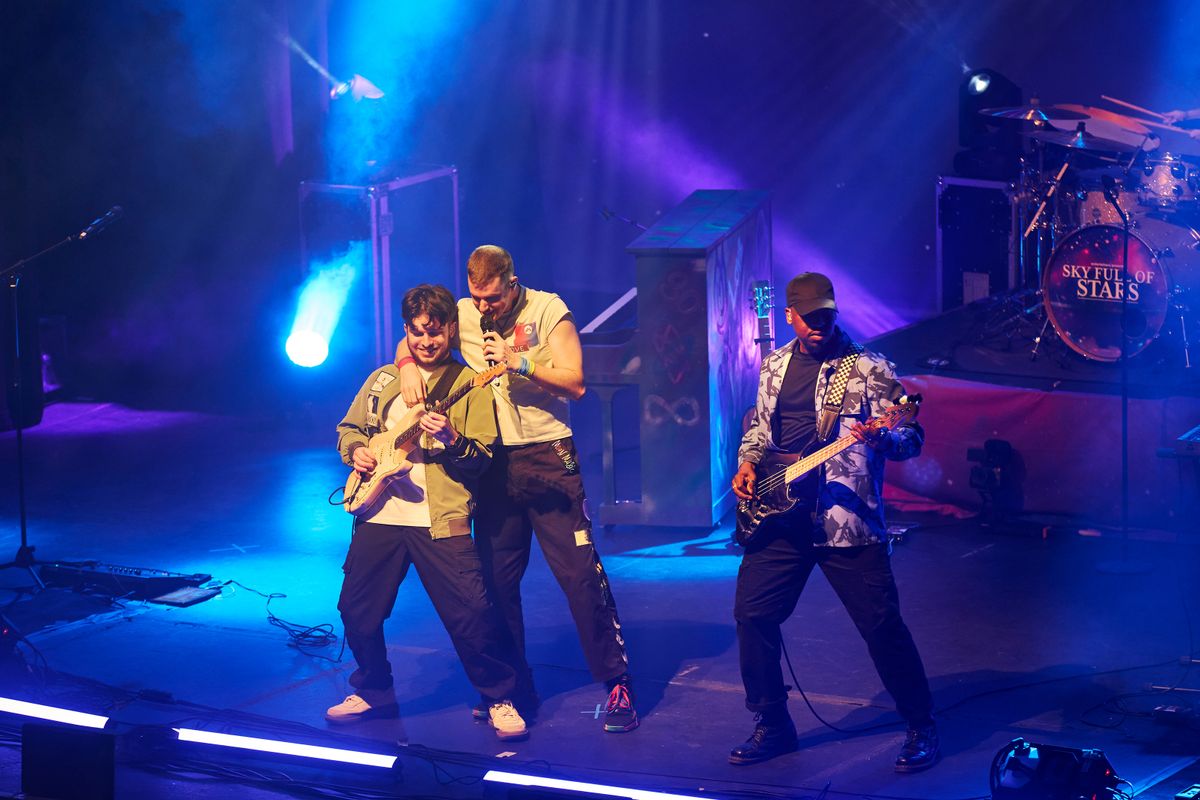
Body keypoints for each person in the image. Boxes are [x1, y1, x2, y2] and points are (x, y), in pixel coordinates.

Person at [394, 245, 637, 733]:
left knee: (578, 575)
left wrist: (519, 362)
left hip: (547, 455)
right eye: (477, 298)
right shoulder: (462, 313)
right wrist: (404, 369)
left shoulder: (549, 309)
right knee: (495, 583)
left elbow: (576, 383)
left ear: (511, 281)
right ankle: (512, 688)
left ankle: (617, 682)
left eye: (493, 298)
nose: (484, 308)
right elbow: (414, 338)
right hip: (494, 463)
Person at [728, 272, 937, 771]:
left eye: (827, 314)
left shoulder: (869, 369)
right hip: (780, 515)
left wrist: (881, 438)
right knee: (752, 615)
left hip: (846, 522)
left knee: (881, 626)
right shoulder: (775, 365)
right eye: (809, 316)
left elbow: (911, 439)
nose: (819, 324)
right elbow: (759, 427)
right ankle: (773, 724)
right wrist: (748, 463)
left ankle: (921, 723)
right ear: (789, 316)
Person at [329, 283, 528, 741]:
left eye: (436, 334)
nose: (426, 342)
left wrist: (452, 442)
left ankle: (498, 696)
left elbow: (484, 459)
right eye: (417, 333)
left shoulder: (468, 385)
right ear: (406, 331)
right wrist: (357, 450)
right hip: (379, 515)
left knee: (473, 615)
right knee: (356, 612)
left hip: (440, 520)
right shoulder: (383, 378)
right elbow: (350, 428)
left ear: (451, 331)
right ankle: (373, 687)